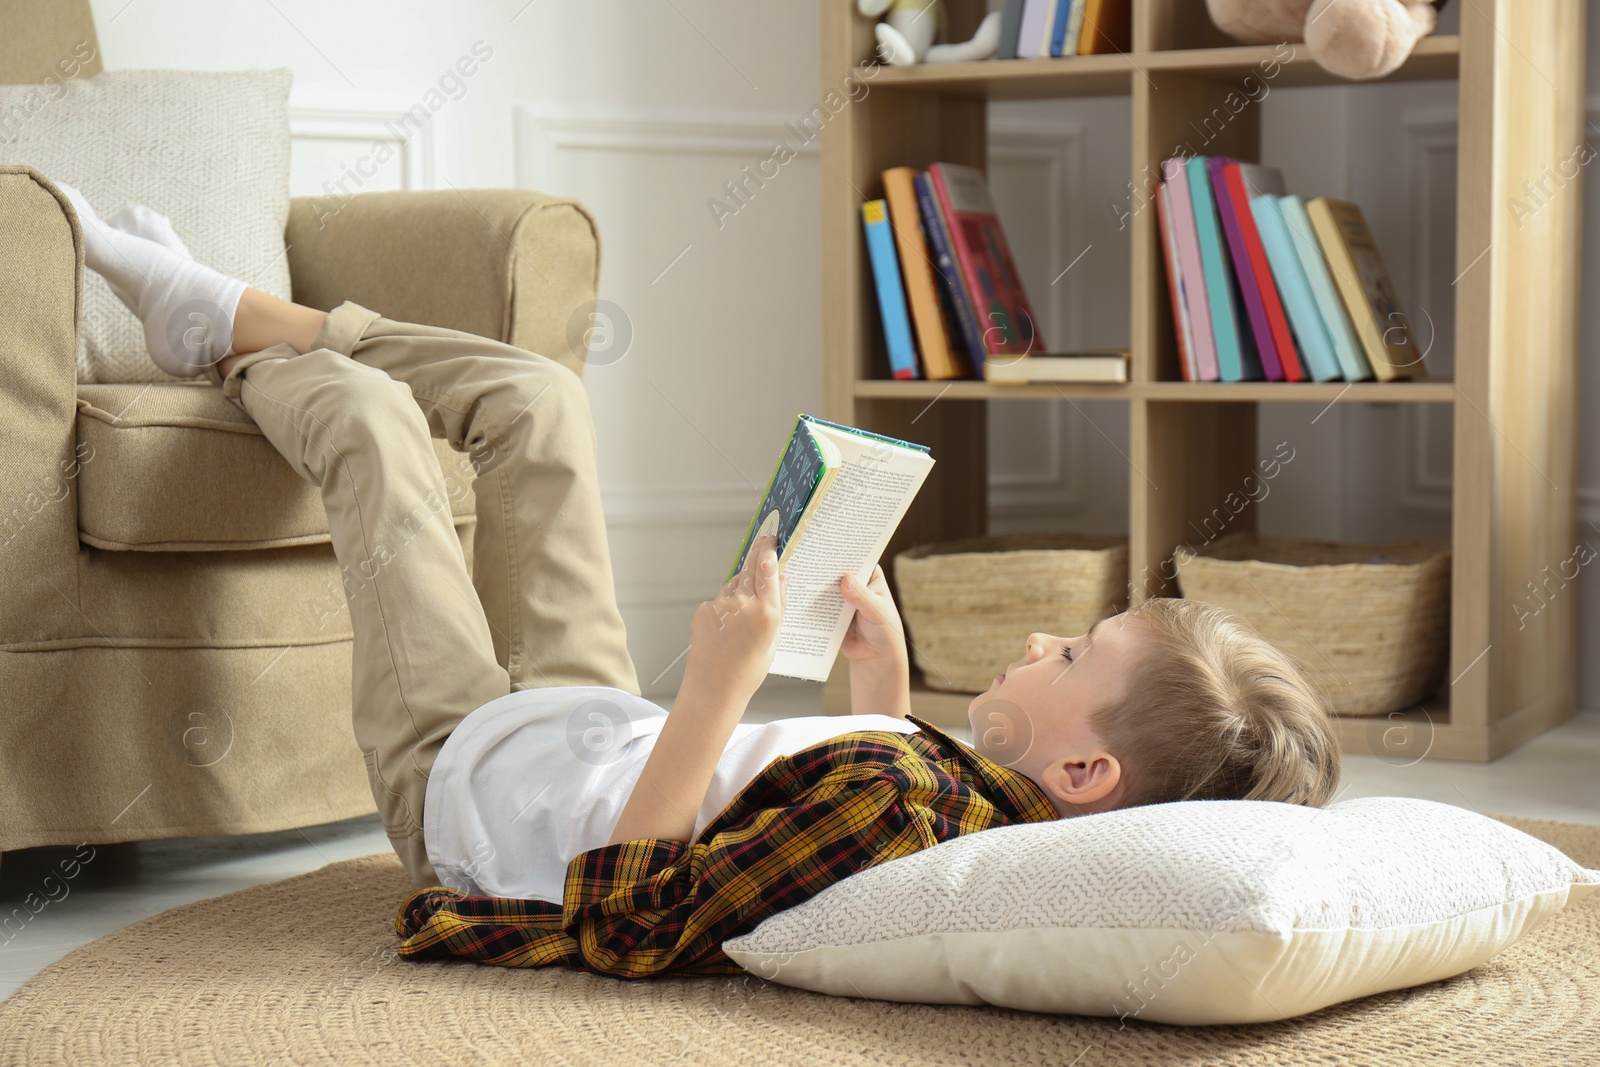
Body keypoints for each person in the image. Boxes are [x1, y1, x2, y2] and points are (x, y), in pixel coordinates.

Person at [55, 179, 1340, 980]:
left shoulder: (903, 810)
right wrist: (878, 676)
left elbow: (627, 919)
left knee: (377, 431)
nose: (1050, 636)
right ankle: (237, 314)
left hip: (467, 785)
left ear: (1085, 773)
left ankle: (233, 343)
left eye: (1075, 657)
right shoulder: (965, 795)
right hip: (586, 727)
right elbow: (891, 767)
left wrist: (719, 686)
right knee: (539, 396)